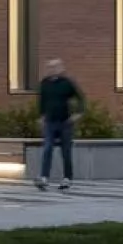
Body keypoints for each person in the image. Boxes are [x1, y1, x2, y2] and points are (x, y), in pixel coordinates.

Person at [35, 56, 88, 191]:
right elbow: (41, 101)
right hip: (50, 122)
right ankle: (44, 177)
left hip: (65, 122)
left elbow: (81, 98)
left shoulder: (66, 83)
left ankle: (67, 178)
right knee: (47, 149)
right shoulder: (45, 83)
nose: (52, 69)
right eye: (50, 67)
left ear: (61, 68)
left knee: (66, 151)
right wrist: (41, 117)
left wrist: (78, 114)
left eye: (55, 67)